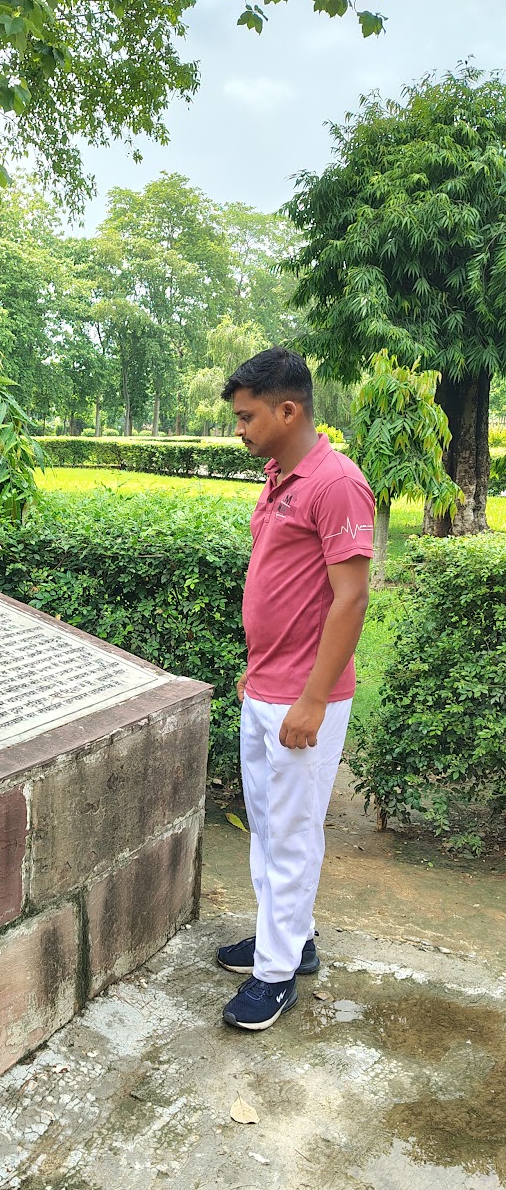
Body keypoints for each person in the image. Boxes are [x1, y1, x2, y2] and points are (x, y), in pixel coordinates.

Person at [216, 347, 375, 1031]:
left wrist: (312, 698)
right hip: (266, 685)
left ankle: (275, 974)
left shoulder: (335, 483)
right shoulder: (280, 475)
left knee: (292, 833)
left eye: (248, 417)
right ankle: (290, 938)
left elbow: (352, 597)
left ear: (290, 409)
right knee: (272, 826)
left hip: (304, 697)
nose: (241, 430)